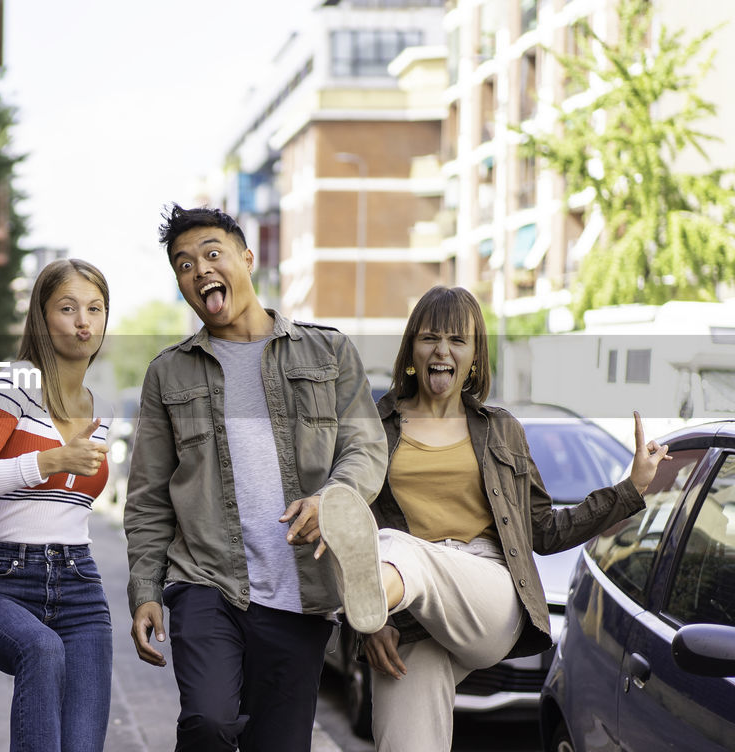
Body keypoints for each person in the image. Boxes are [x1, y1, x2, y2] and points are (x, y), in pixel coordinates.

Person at [312, 285, 668, 752]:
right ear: (411, 351)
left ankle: (371, 595)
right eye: (430, 338)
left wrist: (632, 488)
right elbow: (355, 519)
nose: (442, 350)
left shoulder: (501, 430)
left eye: (457, 340)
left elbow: (544, 530)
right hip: (411, 614)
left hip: (486, 587)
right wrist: (374, 626)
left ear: (475, 357)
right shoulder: (377, 430)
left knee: (396, 548)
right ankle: (373, 603)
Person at [124, 204, 388, 751]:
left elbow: (365, 446)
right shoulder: (168, 372)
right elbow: (149, 496)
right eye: (183, 265)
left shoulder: (329, 351)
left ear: (247, 259)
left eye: (211, 255)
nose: (198, 271)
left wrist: (331, 498)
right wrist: (145, 590)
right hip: (206, 581)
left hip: (301, 592)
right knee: (210, 721)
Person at [0, 259, 114, 752]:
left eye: (95, 308)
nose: (83, 321)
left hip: (81, 582)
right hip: (3, 580)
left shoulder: (99, 404)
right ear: (43, 318)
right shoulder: (15, 383)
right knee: (41, 650)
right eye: (67, 308)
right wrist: (48, 460)